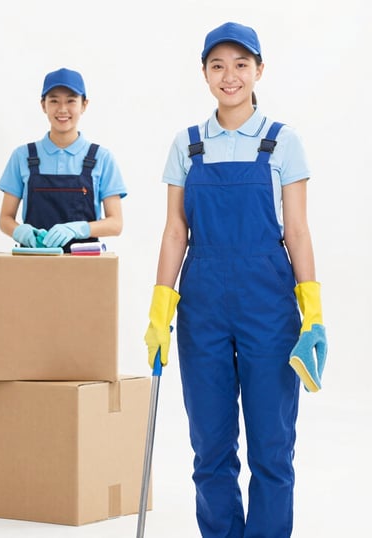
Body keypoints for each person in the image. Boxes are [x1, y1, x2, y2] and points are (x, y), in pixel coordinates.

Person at [144, 22, 327, 537]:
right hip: (201, 303)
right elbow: (175, 229)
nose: (230, 76)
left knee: (272, 445)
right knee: (211, 447)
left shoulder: (282, 142)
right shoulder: (188, 144)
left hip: (268, 302)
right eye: (218, 65)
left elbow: (297, 230)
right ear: (204, 73)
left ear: (259, 70)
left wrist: (312, 313)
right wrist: (161, 307)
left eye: (241, 65)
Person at [0, 67, 126, 252]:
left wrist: (80, 228)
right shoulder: (23, 156)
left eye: (71, 101)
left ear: (84, 105)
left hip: (85, 267)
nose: (62, 109)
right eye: (54, 100)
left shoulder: (101, 158)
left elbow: (116, 224)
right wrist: (20, 231)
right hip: (34, 263)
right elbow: (5, 219)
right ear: (43, 105)